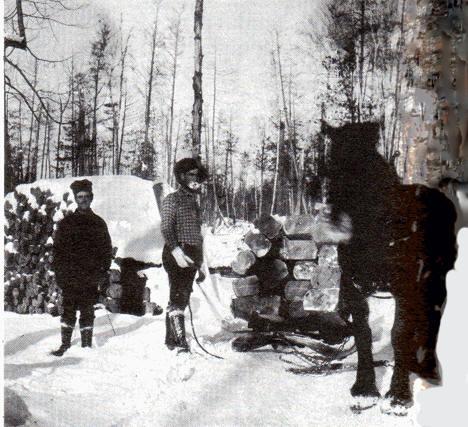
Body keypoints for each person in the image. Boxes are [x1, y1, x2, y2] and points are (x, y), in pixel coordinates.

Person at [51, 179, 113, 356]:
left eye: (86, 196)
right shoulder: (66, 223)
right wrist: (60, 275)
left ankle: (86, 346)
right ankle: (65, 345)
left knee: (87, 309)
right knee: (68, 309)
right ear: (75, 199)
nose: (83, 199)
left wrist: (102, 271)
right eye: (80, 196)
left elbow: (106, 250)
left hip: (89, 276)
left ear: (91, 198)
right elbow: (58, 252)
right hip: (70, 276)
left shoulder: (99, 223)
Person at [161, 157, 209, 352]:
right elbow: (166, 228)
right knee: (178, 296)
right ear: (181, 177)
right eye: (190, 175)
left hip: (192, 254)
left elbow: (199, 236)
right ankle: (180, 341)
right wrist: (176, 251)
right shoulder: (172, 199)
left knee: (182, 295)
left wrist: (201, 263)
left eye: (197, 175)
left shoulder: (195, 202)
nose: (194, 179)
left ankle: (170, 339)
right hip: (176, 252)